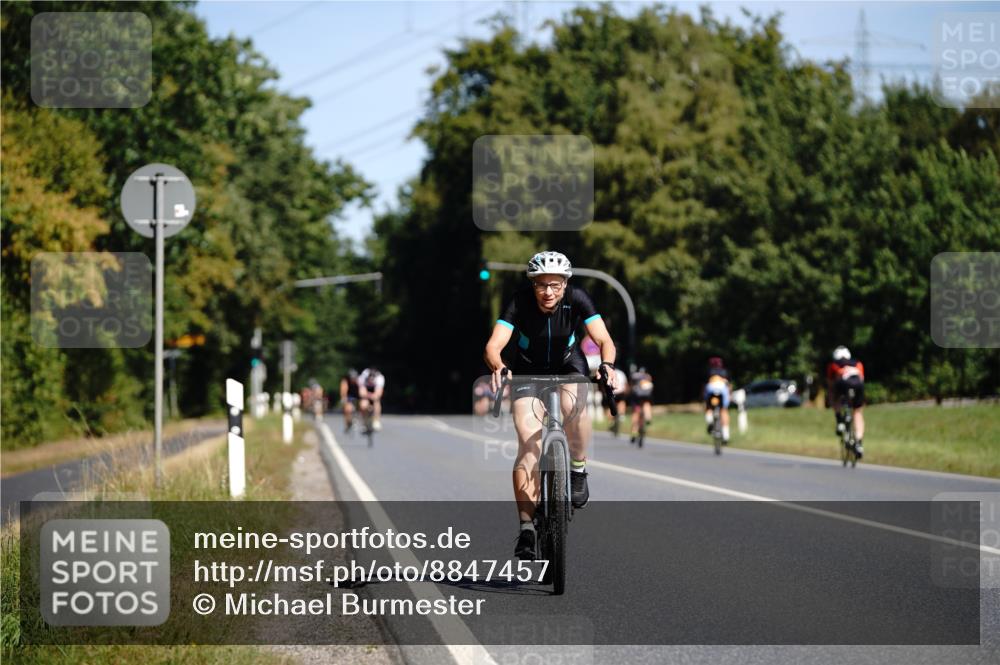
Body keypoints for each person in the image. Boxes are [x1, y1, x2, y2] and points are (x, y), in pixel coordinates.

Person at [483, 251, 618, 560]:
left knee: (577, 407)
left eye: (555, 285)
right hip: (527, 371)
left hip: (567, 365)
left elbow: (604, 340)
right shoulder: (519, 302)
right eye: (541, 285)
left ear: (565, 283)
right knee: (528, 444)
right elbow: (493, 346)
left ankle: (578, 469)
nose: (548, 292)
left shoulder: (579, 299)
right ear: (532, 284)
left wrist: (607, 364)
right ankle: (527, 527)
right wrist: (499, 367)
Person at [826, 346, 865, 457]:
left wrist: (832, 398)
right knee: (857, 412)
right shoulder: (857, 362)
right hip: (858, 384)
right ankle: (858, 443)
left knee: (834, 394)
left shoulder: (834, 364)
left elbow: (830, 383)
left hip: (843, 383)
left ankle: (839, 420)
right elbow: (861, 378)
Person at [704, 357, 731, 445]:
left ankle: (710, 422)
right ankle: (726, 436)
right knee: (724, 410)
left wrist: (704, 398)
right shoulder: (725, 372)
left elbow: (705, 386)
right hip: (722, 389)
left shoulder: (709, 372)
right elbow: (729, 386)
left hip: (711, 389)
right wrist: (729, 396)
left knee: (708, 407)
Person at [628, 367, 654, 443]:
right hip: (646, 397)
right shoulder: (648, 376)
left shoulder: (634, 376)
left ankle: (633, 432)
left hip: (636, 398)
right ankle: (648, 417)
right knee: (646, 404)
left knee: (635, 413)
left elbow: (631, 385)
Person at [358, 367, 385, 431]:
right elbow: (361, 393)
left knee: (377, 402)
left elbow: (378, 394)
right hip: (366, 393)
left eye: (372, 379)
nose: (371, 380)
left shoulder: (380, 379)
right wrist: (368, 395)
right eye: (370, 379)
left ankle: (376, 420)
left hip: (374, 393)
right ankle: (364, 422)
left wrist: (372, 396)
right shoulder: (362, 378)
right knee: (363, 405)